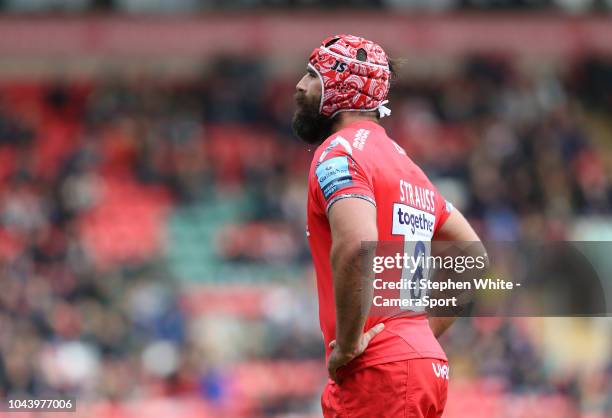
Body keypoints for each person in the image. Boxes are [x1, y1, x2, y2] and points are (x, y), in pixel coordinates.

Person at [292, 34, 482, 417]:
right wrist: (420, 334)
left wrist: (346, 346)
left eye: (312, 75)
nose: (299, 86)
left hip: (379, 371)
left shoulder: (339, 152)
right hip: (413, 364)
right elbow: (472, 254)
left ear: (340, 88)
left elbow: (357, 243)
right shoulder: (407, 166)